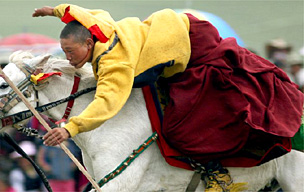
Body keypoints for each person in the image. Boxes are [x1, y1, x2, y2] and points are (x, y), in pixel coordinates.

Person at [33, 4, 303, 191]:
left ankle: (218, 174)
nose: (67, 58)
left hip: (195, 49)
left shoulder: (114, 63)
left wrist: (71, 129)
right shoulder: (101, 27)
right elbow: (84, 13)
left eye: (70, 51)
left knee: (184, 127)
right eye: (64, 52)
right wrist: (55, 11)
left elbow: (107, 103)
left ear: (89, 43)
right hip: (181, 31)